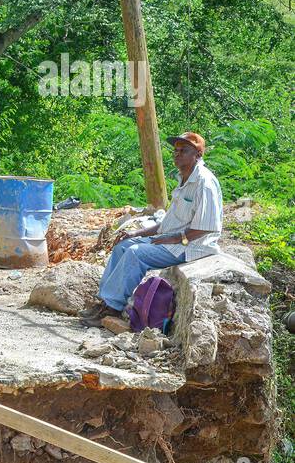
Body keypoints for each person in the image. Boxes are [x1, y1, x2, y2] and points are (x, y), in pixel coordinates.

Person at [82, 132, 222, 328]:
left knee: (136, 254)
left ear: (197, 154)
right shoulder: (183, 179)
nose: (178, 154)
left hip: (191, 246)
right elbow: (169, 223)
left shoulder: (204, 182)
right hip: (172, 239)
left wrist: (174, 239)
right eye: (176, 150)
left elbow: (207, 227)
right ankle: (104, 302)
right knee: (124, 245)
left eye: (184, 150)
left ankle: (113, 308)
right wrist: (135, 233)